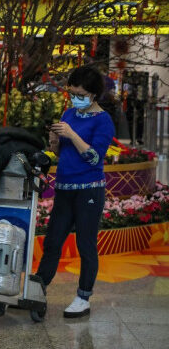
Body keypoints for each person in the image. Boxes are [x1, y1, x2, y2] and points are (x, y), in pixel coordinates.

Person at [35, 65, 114, 318]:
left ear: (93, 95)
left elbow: (93, 157)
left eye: (79, 93)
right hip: (64, 188)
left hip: (89, 190)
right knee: (53, 240)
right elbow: (61, 153)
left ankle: (83, 297)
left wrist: (71, 134)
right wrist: (56, 142)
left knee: (85, 244)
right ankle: (39, 286)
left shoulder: (103, 120)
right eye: (71, 92)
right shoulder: (69, 113)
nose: (74, 98)